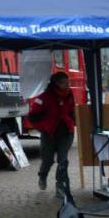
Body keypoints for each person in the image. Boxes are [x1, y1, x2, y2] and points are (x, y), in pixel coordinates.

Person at [29, 72, 76, 200]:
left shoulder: (70, 95)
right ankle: (42, 175)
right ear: (56, 83)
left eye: (68, 83)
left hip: (66, 133)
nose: (67, 85)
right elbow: (32, 116)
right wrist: (43, 128)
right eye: (64, 83)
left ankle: (61, 187)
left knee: (63, 160)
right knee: (47, 160)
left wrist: (73, 121)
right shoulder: (44, 97)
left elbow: (73, 111)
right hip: (49, 133)